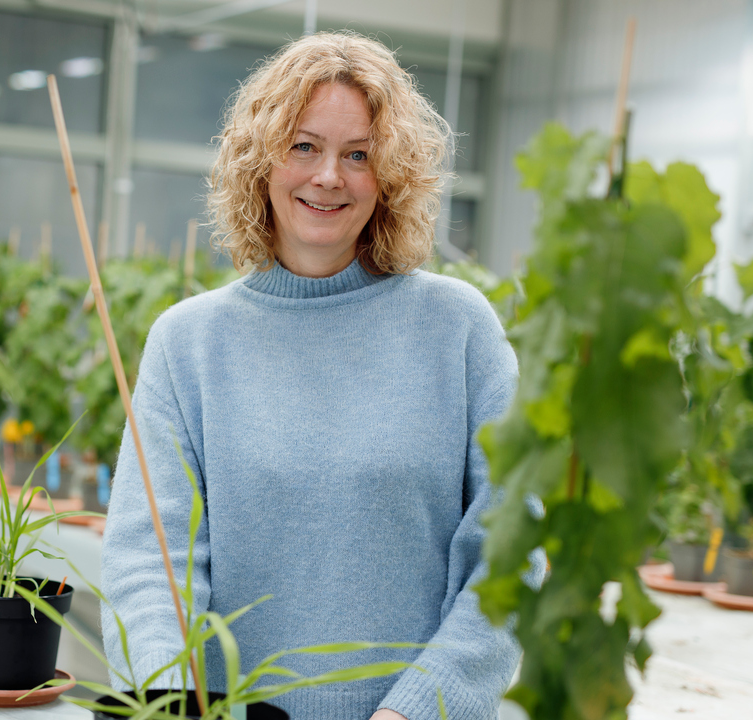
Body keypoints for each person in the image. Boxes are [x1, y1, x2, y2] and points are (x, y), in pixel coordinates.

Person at [100, 31, 524, 720]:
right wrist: (166, 695)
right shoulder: (189, 343)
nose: (330, 175)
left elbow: (512, 555)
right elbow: (151, 558)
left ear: (390, 176)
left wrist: (417, 710)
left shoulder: (460, 329)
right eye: (304, 146)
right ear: (259, 162)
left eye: (358, 154)